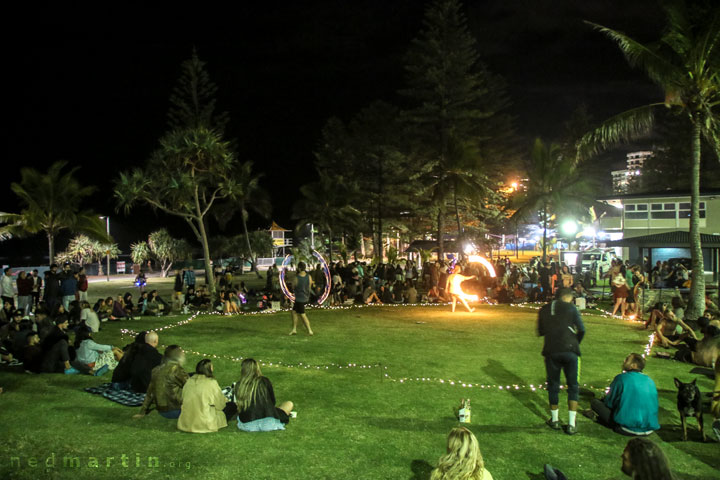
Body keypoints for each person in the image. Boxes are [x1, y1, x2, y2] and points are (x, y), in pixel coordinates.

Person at [538, 288, 585, 435]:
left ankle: (555, 420)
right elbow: (582, 329)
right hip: (570, 350)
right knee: (573, 386)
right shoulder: (571, 308)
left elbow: (541, 331)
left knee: (553, 384)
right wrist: (575, 342)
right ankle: (571, 424)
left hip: (551, 349)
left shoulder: (544, 309)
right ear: (568, 297)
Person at [588, 353, 660, 436]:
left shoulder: (621, 378)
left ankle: (599, 418)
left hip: (626, 428)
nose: (624, 361)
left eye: (627, 359)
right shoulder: (650, 381)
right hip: (649, 429)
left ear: (633, 365)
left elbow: (609, 403)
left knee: (595, 403)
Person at [235, 358, 293, 432]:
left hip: (248, 425)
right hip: (268, 423)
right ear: (257, 368)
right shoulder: (264, 381)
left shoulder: (239, 385)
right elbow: (273, 401)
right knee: (289, 404)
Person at [134, 345, 189, 420]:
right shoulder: (177, 370)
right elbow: (192, 387)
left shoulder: (156, 370)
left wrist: (142, 412)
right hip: (176, 411)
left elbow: (150, 394)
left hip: (162, 411)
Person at [177, 359, 230, 433]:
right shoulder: (211, 383)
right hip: (204, 422)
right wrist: (226, 400)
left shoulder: (188, 381)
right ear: (209, 369)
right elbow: (220, 405)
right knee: (231, 407)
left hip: (186, 421)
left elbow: (182, 398)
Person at [289, 262, 314, 336]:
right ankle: (294, 329)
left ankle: (310, 330)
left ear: (299, 268)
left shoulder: (297, 278)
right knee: (294, 312)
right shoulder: (309, 276)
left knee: (303, 314)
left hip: (300, 299)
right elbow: (309, 286)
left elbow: (293, 287)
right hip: (306, 297)